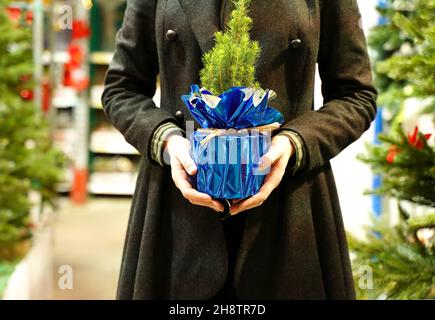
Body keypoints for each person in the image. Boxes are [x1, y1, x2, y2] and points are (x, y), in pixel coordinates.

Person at [102, 0, 377, 300]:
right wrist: (167, 140)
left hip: (289, 212)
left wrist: (294, 142)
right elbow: (122, 89)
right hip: (177, 215)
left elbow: (356, 96)